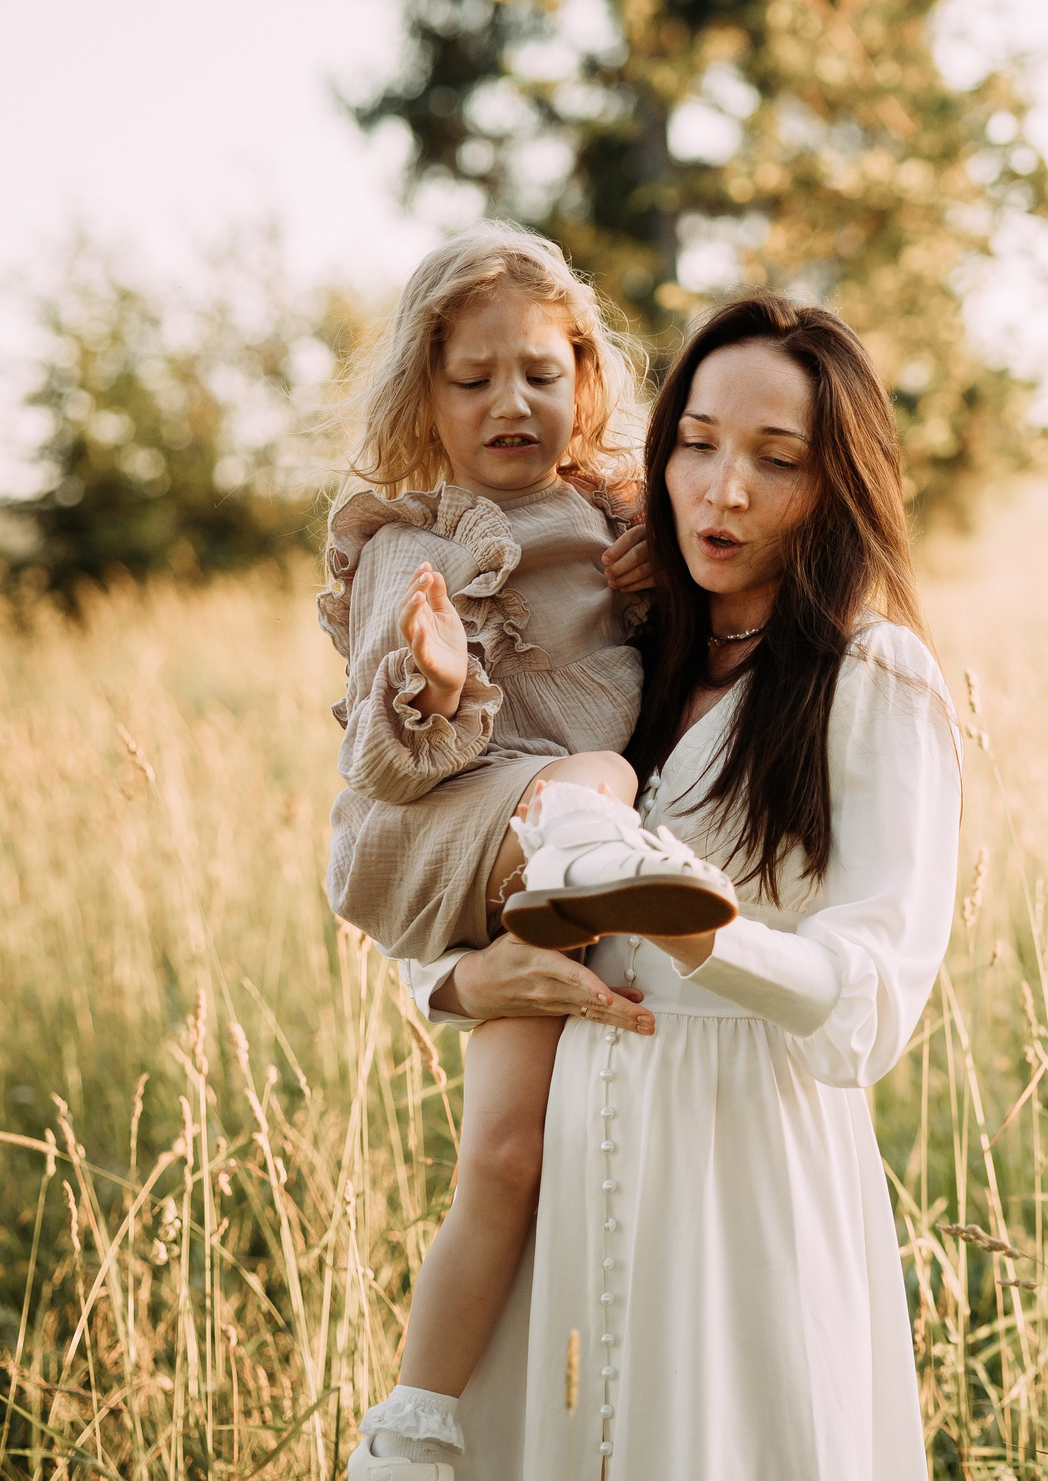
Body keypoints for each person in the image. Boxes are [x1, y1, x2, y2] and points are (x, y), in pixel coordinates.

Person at [404, 292, 960, 1479]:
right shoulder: (618, 656)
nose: (725, 491)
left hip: (745, 1185)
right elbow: (451, 857)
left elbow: (871, 1008)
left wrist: (699, 929)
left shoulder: (875, 679)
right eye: (697, 444)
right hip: (576, 1180)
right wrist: (458, 982)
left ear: (837, 485)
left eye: (777, 461)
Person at [319, 223, 740, 1481]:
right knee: (593, 778)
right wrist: (436, 685)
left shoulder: (618, 517)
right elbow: (380, 770)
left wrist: (655, 571)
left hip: (541, 908)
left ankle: (417, 1422)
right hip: (456, 840)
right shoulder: (410, 545)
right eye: (473, 378)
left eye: (541, 374)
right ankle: (582, 846)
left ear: (585, 382)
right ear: (425, 394)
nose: (512, 402)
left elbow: (667, 669)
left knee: (507, 1151)